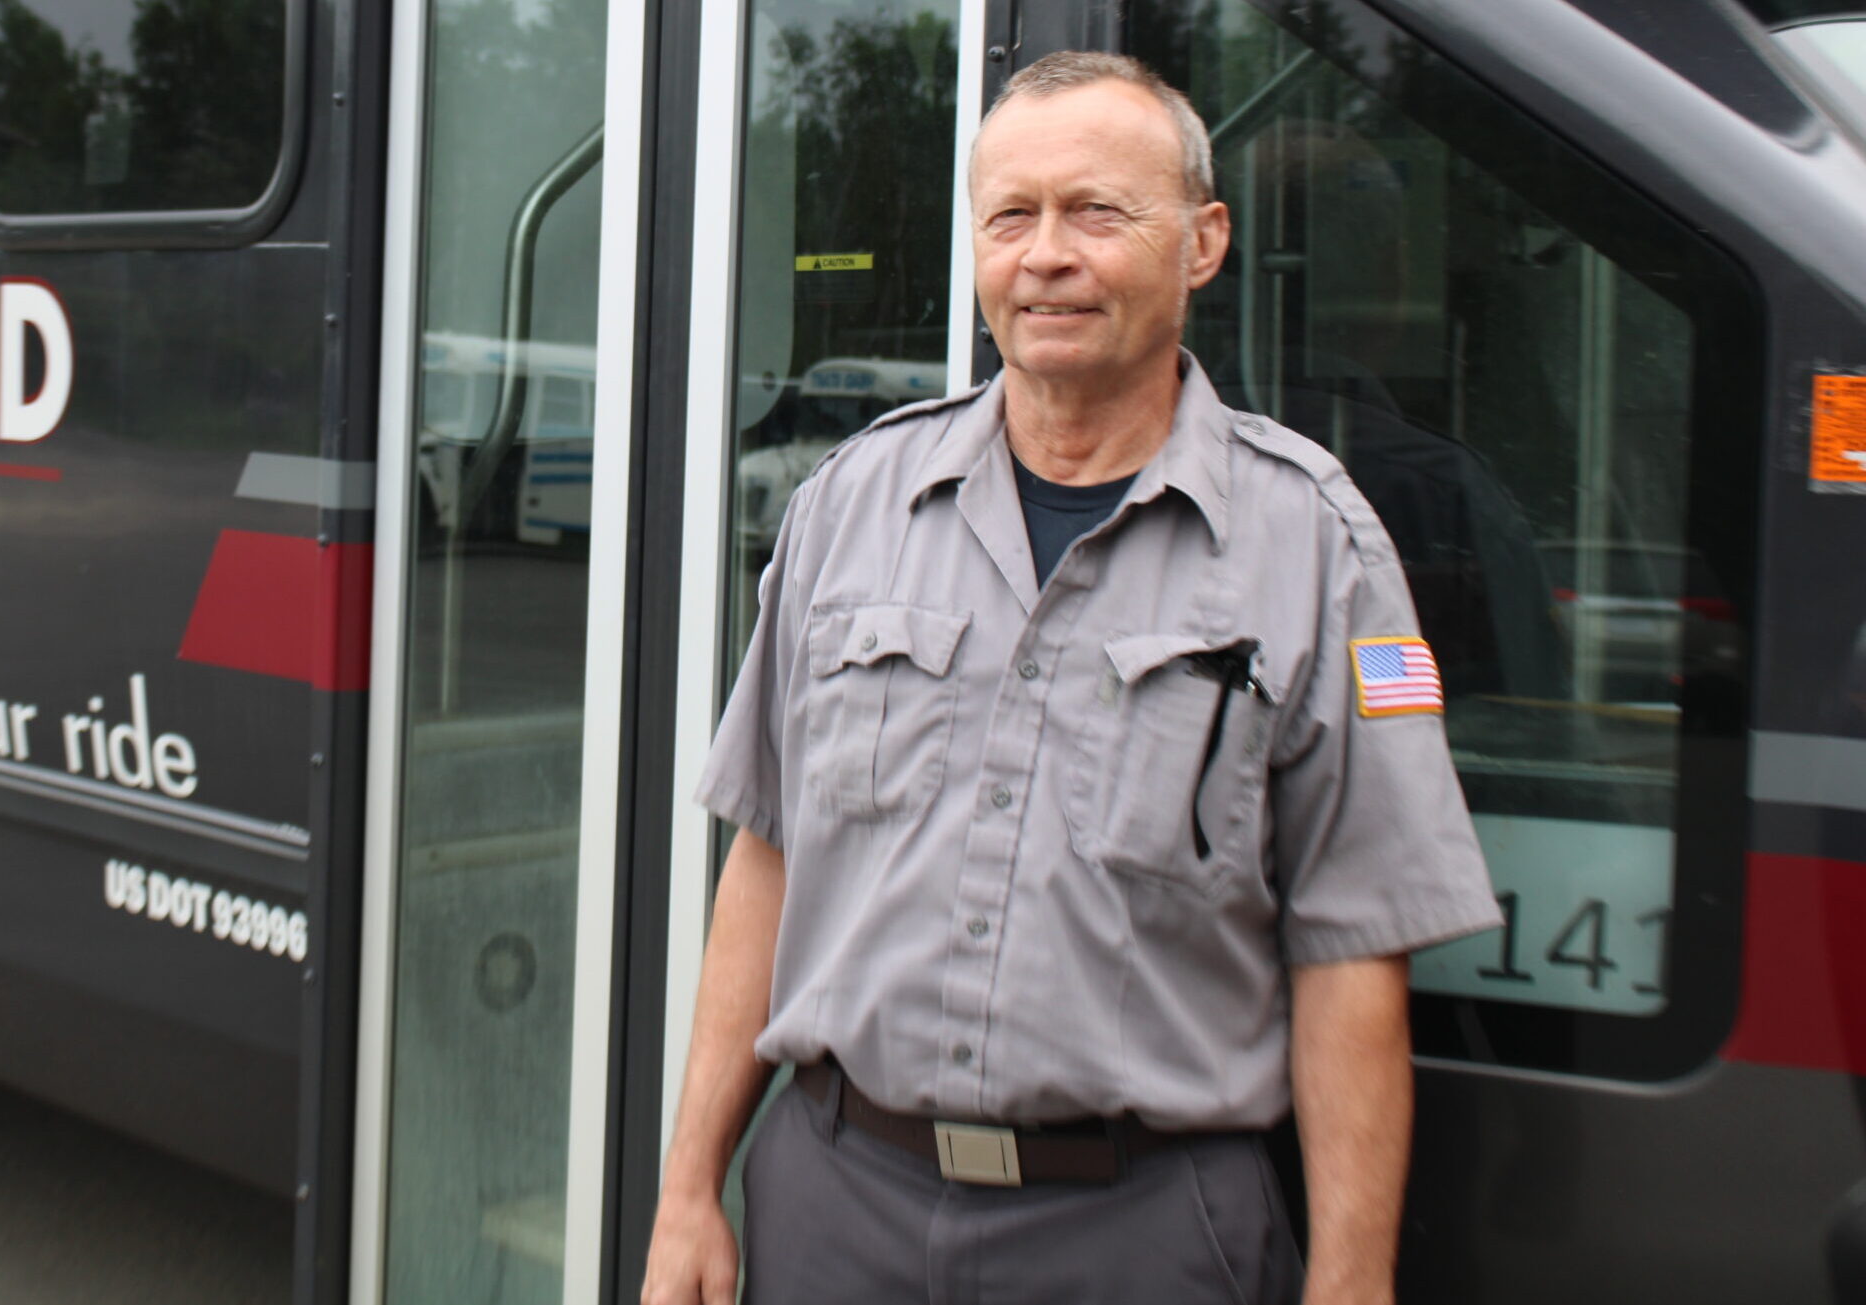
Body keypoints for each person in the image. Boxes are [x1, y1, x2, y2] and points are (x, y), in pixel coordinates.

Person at [641, 51, 1504, 1305]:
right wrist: (686, 1191)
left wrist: (1350, 1281)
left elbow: (1353, 950)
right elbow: (765, 858)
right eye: (1012, 216)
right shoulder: (852, 502)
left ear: (1201, 244)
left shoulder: (1314, 542)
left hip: (1143, 1233)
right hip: (834, 1206)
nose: (1047, 254)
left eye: (1098, 212)